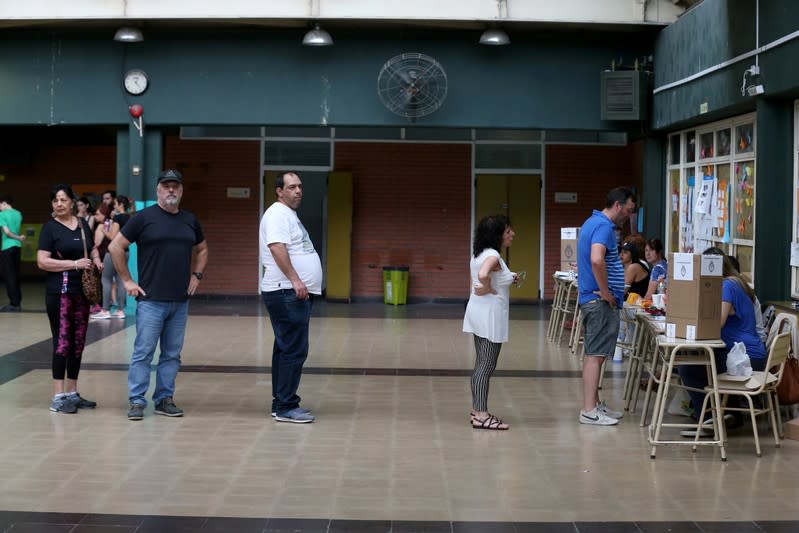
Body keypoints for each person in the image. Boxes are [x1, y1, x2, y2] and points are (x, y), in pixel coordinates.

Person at [108, 170, 208, 421]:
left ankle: (164, 399)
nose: (171, 190)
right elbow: (115, 246)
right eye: (166, 186)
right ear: (158, 190)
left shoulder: (190, 220)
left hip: (179, 301)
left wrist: (196, 276)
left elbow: (203, 248)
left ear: (181, 190)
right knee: (143, 352)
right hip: (151, 301)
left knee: (172, 354)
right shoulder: (143, 218)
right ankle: (137, 401)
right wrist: (127, 280)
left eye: (175, 186)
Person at [678, 248, 767, 435]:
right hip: (752, 355)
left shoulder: (726, 286)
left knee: (689, 368)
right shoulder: (740, 283)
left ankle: (708, 420)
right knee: (711, 360)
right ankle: (730, 415)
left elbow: (717, 321)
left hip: (743, 359)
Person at [260, 171, 322, 423]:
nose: (298, 191)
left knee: (286, 348)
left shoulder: (288, 215)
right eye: (292, 187)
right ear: (279, 191)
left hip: (289, 291)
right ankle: (286, 406)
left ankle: (281, 402)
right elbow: (277, 248)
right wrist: (296, 280)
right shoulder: (276, 214)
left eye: (300, 186)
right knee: (294, 349)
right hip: (285, 291)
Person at [36, 184, 103, 413]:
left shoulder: (83, 224)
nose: (59, 204)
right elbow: (42, 261)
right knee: (62, 342)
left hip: (81, 292)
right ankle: (58, 397)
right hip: (59, 293)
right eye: (55, 200)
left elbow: (92, 248)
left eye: (63, 199)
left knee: (78, 343)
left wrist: (97, 260)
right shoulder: (50, 229)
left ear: (72, 202)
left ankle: (73, 393)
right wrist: (73, 264)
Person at [576, 187, 636, 426]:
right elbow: (596, 258)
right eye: (629, 210)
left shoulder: (592, 222)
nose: (629, 216)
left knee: (596, 354)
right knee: (595, 356)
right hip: (598, 300)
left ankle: (595, 404)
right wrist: (604, 290)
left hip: (596, 298)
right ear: (618, 205)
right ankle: (589, 409)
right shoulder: (603, 227)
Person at [462, 214, 518, 430]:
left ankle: (477, 411)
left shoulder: (480, 253)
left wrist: (508, 278)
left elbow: (480, 276)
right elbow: (484, 275)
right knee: (485, 365)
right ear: (497, 235)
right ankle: (481, 415)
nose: (512, 234)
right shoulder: (493, 255)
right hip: (489, 315)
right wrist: (487, 288)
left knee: (482, 364)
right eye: (507, 231)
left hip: (478, 311)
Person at [89, 204, 117, 319]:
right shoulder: (111, 223)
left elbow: (97, 243)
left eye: (97, 214)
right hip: (110, 255)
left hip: (101, 256)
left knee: (101, 282)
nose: (95, 216)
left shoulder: (101, 226)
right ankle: (108, 305)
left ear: (104, 214)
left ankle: (101, 307)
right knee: (110, 282)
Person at [0, 194, 25, 312]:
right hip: (17, 247)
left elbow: (7, 232)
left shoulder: (2, 214)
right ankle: (17, 302)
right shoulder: (18, 213)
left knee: (9, 276)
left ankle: (13, 304)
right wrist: (19, 239)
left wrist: (18, 237)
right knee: (15, 275)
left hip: (7, 247)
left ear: (4, 203)